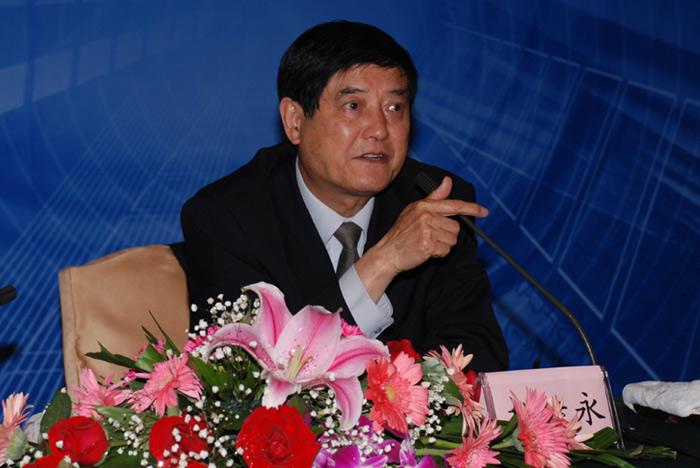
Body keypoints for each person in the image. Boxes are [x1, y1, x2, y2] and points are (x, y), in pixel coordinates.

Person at [181, 21, 508, 371]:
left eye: (395, 108)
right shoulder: (226, 219)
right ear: (295, 121)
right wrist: (385, 260)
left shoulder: (436, 201)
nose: (379, 130)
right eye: (353, 106)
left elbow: (476, 355)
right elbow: (246, 375)